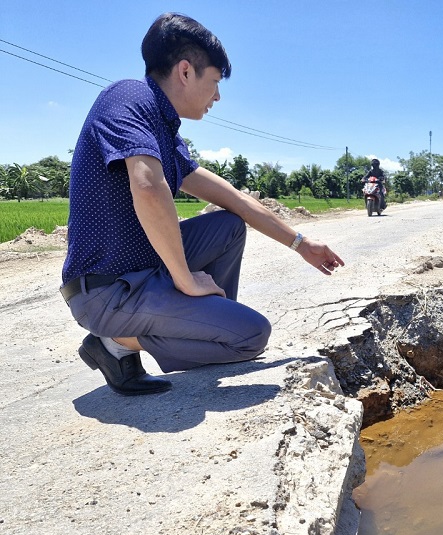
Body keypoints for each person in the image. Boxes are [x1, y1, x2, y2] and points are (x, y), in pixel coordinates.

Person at [60, 12, 344, 396]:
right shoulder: (129, 97)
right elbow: (147, 186)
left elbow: (236, 201)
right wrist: (185, 280)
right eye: (214, 81)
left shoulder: (165, 132)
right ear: (185, 71)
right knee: (252, 336)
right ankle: (115, 341)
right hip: (106, 292)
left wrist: (301, 244)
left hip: (141, 272)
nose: (218, 96)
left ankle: (210, 324)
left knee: (227, 225)